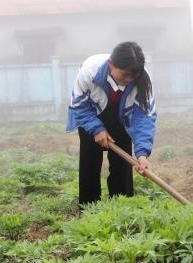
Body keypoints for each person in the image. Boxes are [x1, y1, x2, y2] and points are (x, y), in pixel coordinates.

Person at [66, 41, 157, 206]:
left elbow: (144, 117)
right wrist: (96, 129)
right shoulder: (89, 71)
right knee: (90, 164)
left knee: (122, 167)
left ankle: (122, 209)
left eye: (133, 76)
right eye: (125, 74)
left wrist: (142, 154)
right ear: (111, 65)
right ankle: (88, 210)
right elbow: (79, 106)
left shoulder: (143, 80)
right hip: (90, 117)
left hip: (122, 120)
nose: (128, 80)